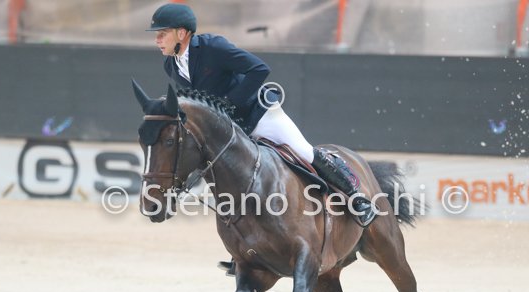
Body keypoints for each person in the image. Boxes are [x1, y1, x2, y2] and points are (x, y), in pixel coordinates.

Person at [147, 3, 377, 275]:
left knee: (304, 151)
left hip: (258, 115)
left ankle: (357, 198)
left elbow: (258, 69)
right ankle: (244, 249)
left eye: (162, 33)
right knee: (224, 178)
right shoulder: (171, 65)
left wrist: (228, 105)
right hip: (230, 132)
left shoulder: (212, 47)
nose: (157, 39)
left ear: (182, 33)